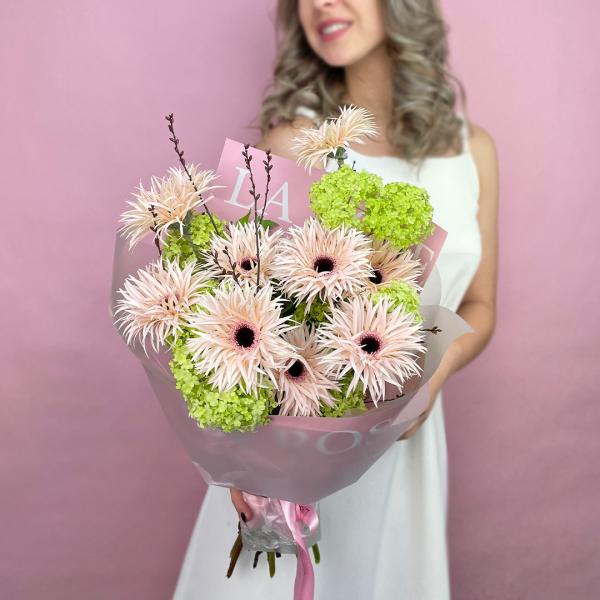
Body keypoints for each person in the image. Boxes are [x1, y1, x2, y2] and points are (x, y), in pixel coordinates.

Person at [174, 0, 498, 597]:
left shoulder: (473, 151)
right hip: (290, 462)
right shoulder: (294, 142)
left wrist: (433, 375)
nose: (319, 2)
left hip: (407, 446)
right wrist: (246, 456)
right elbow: (239, 305)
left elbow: (480, 305)